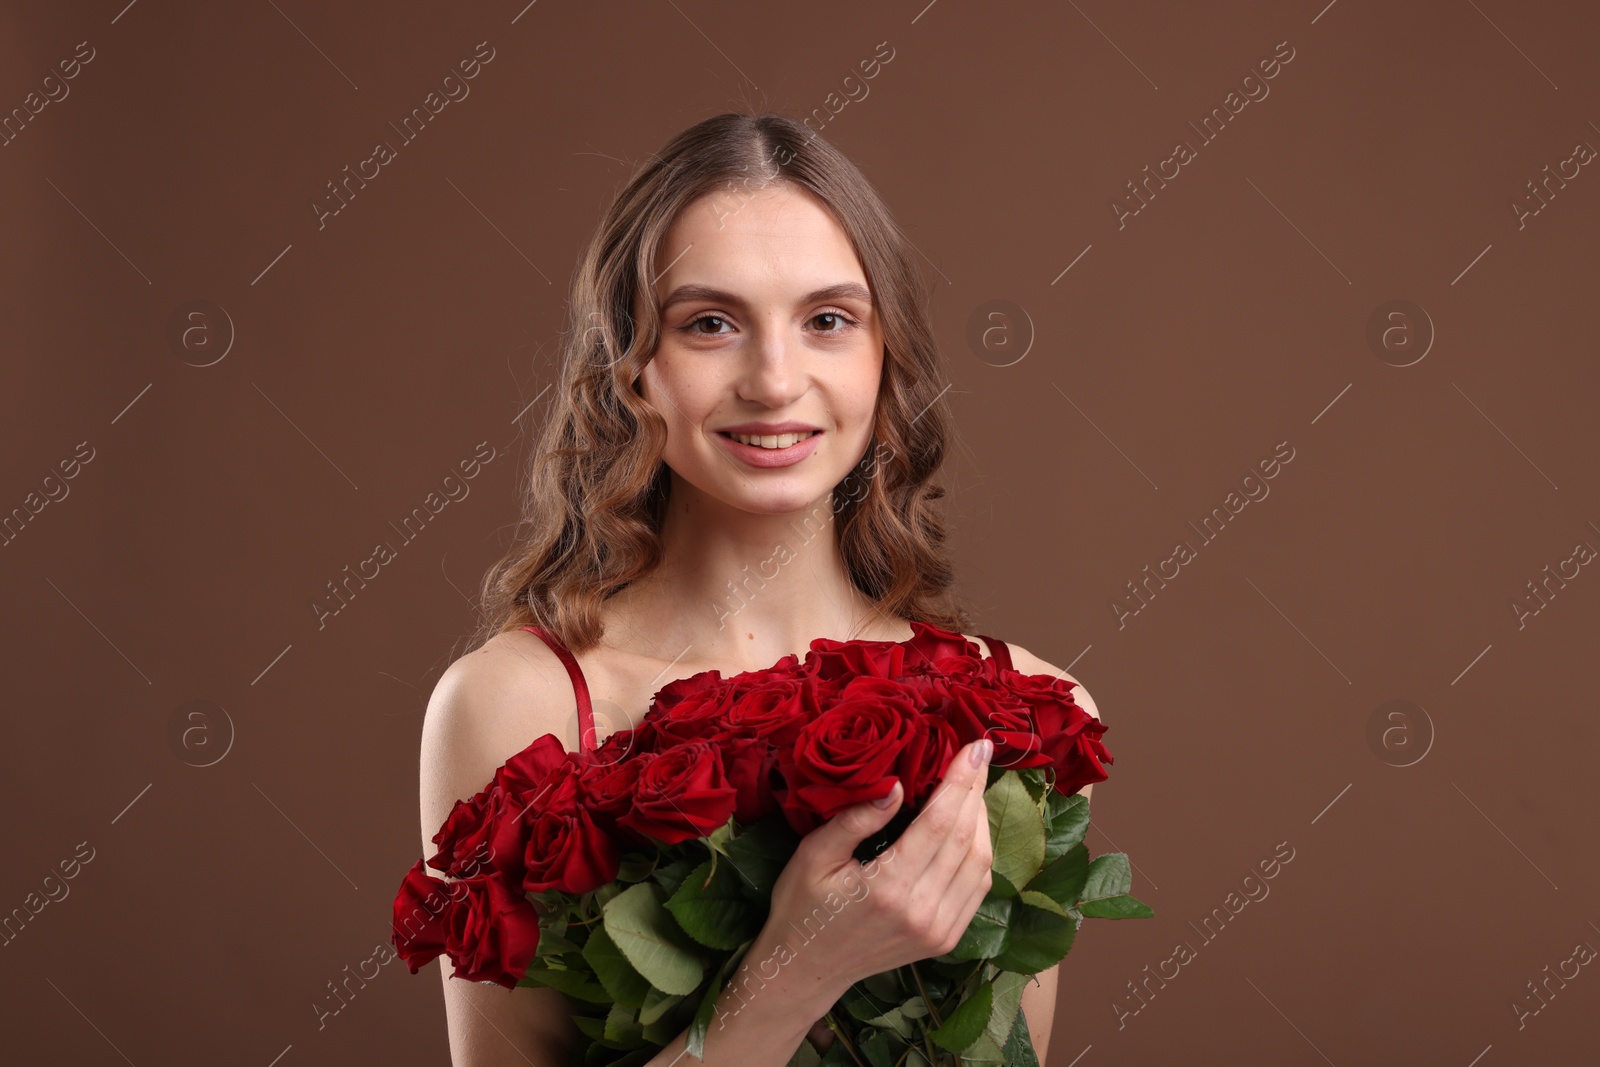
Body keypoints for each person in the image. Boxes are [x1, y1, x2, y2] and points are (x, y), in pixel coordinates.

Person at [414, 111, 1101, 1066]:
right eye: (710, 324)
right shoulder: (514, 706)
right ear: (633, 368)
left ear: (884, 355)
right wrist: (794, 971)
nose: (775, 381)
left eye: (827, 321)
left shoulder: (1022, 710)